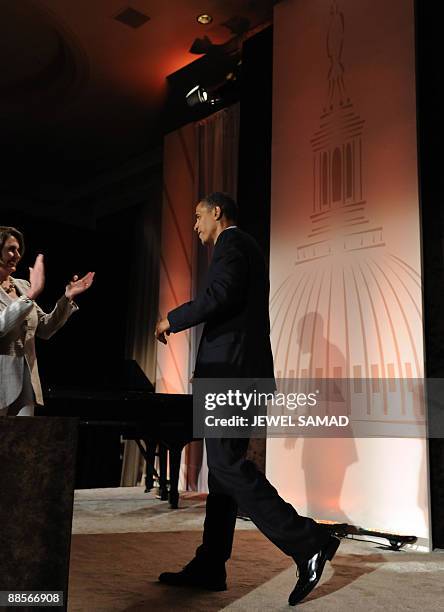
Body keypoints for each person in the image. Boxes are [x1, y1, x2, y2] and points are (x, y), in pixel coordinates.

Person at [155, 193, 340, 606]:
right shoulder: (242, 247)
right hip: (236, 375)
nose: (195, 226)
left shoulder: (233, 244)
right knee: (222, 476)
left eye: (198, 216)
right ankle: (210, 564)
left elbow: (217, 296)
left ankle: (309, 541)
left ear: (217, 212)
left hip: (232, 377)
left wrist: (173, 318)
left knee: (226, 465)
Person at [0, 226, 94, 416]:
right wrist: (31, 295)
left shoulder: (23, 286)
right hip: (1, 380)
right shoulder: (29, 291)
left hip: (26, 381)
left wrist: (67, 298)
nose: (17, 254)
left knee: (24, 443)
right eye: (11, 249)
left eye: (19, 250)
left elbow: (44, 328)